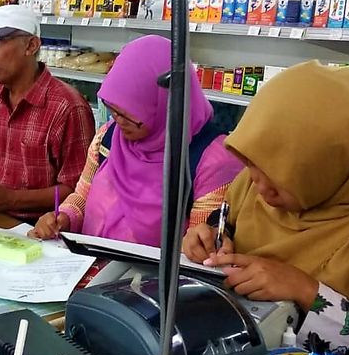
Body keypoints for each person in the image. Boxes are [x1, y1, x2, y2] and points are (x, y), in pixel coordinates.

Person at [182, 61, 349, 355]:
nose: (261, 187)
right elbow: (227, 220)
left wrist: (307, 292)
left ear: (335, 165)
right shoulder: (252, 184)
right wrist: (212, 235)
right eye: (252, 165)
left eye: (285, 175)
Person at [30, 35, 244, 246]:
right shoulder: (108, 137)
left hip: (152, 278)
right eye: (113, 111)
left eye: (131, 116)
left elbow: (200, 246)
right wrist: (63, 217)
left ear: (166, 105)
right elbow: (82, 196)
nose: (119, 122)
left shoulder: (212, 160)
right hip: (92, 266)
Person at [0, 5, 95, 221]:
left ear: (31, 45)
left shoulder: (68, 107)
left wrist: (11, 199)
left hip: (41, 231)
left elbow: (78, 191)